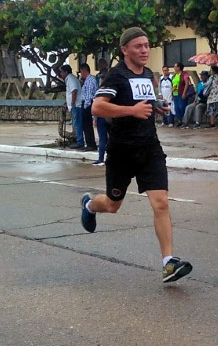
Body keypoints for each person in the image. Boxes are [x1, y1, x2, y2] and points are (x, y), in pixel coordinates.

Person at [80, 27, 193, 284]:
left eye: (147, 45)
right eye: (138, 46)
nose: (144, 50)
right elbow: (98, 107)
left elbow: (144, 102)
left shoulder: (149, 74)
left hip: (150, 148)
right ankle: (88, 205)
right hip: (122, 151)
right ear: (124, 50)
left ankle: (168, 262)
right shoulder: (115, 76)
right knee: (112, 204)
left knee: (161, 202)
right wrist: (131, 111)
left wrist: (156, 107)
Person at [78, 63, 98, 150]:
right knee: (85, 125)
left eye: (81, 71)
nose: (80, 73)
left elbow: (89, 96)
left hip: (88, 105)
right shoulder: (87, 80)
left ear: (85, 70)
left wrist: (85, 107)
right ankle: (89, 143)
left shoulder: (90, 80)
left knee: (87, 125)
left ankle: (91, 144)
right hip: (87, 104)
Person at [93, 64, 109, 166]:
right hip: (111, 117)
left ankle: (101, 159)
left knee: (102, 139)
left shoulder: (100, 91)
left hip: (101, 117)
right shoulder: (114, 90)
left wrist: (94, 118)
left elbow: (96, 106)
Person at [63, 65, 83, 148]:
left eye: (62, 72)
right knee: (76, 123)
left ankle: (80, 142)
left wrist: (73, 102)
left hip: (76, 105)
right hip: (74, 105)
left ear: (66, 72)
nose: (61, 73)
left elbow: (74, 90)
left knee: (77, 124)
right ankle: (79, 140)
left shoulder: (71, 79)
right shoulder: (69, 79)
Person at [171, 62, 189, 127]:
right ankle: (180, 120)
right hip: (175, 93)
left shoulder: (184, 74)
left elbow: (187, 83)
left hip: (181, 93)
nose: (174, 68)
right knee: (177, 108)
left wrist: (184, 92)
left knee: (182, 107)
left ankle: (184, 121)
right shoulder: (174, 75)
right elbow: (173, 84)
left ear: (179, 67)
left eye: (175, 67)